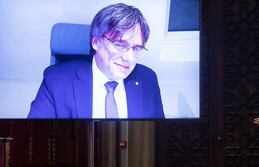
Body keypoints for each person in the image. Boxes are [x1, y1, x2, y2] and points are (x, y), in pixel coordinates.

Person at [28, 3, 164, 119]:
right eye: (120, 45)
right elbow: (35, 140)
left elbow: (158, 139)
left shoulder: (148, 80)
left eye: (136, 48)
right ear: (96, 42)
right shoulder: (56, 80)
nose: (129, 58)